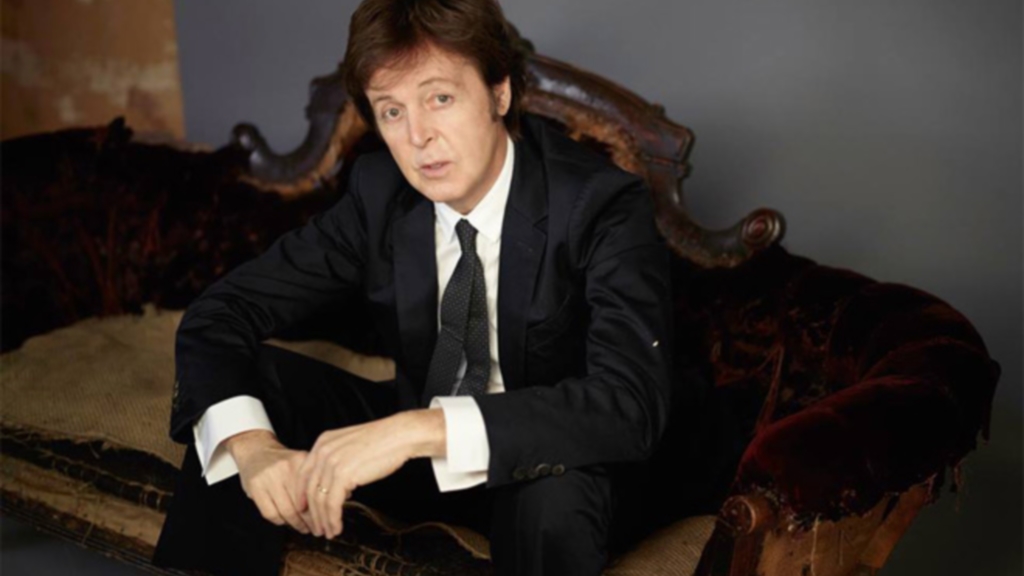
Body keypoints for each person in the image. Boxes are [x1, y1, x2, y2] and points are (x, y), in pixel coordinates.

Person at [152, 0, 675, 574]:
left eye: (440, 98)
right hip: (426, 454)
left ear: (499, 93)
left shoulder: (599, 204)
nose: (418, 136)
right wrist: (255, 450)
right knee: (246, 395)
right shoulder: (380, 193)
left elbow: (627, 404)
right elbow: (221, 313)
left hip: (547, 461)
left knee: (553, 495)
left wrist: (412, 431)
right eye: (392, 111)